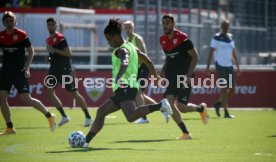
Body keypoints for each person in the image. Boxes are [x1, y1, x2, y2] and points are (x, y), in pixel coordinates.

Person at [83, 18, 171, 148]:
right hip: (124, 88)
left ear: (115, 36)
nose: (109, 43)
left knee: (130, 116)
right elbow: (147, 60)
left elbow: (125, 61)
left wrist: (119, 75)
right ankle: (85, 141)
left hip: (125, 86)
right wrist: (155, 75)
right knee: (101, 112)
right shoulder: (131, 46)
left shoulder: (121, 50)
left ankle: (160, 106)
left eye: (109, 39)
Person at [0, 11, 56, 135]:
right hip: (5, 72)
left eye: (11, 21)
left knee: (26, 98)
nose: (9, 23)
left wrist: (27, 66)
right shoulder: (1, 36)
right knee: (2, 98)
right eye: (7, 21)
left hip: (19, 71)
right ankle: (10, 127)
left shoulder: (21, 35)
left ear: (15, 22)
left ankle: (49, 115)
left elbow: (30, 51)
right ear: (3, 22)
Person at [159, 14, 208, 140]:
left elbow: (195, 57)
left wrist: (187, 75)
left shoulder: (184, 39)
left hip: (184, 77)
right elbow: (168, 57)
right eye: (163, 23)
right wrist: (163, 70)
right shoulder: (163, 40)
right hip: (171, 77)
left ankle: (201, 108)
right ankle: (186, 133)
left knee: (182, 107)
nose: (165, 25)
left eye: (168, 23)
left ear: (173, 24)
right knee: (169, 104)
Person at [45, 17, 92, 127]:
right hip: (53, 70)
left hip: (65, 70)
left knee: (74, 93)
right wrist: (49, 59)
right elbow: (54, 56)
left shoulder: (61, 38)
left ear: (55, 26)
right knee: (49, 92)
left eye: (52, 24)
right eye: (49, 25)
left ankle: (88, 117)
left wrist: (53, 50)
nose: (50, 27)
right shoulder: (48, 40)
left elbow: (68, 53)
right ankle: (64, 116)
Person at [123, 20, 157, 124]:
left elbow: (144, 54)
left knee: (137, 92)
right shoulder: (126, 40)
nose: (128, 30)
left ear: (133, 28)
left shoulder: (137, 38)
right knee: (140, 93)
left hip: (143, 67)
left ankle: (144, 117)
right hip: (136, 69)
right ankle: (161, 106)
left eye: (129, 27)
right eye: (126, 28)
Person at [206, 19, 240, 119]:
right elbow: (211, 52)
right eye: (224, 25)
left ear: (229, 26)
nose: (226, 27)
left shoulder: (230, 37)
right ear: (221, 26)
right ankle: (226, 112)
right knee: (224, 89)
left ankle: (218, 103)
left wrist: (237, 66)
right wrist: (208, 67)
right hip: (220, 65)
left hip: (229, 66)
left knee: (232, 89)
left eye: (227, 25)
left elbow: (233, 52)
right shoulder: (216, 37)